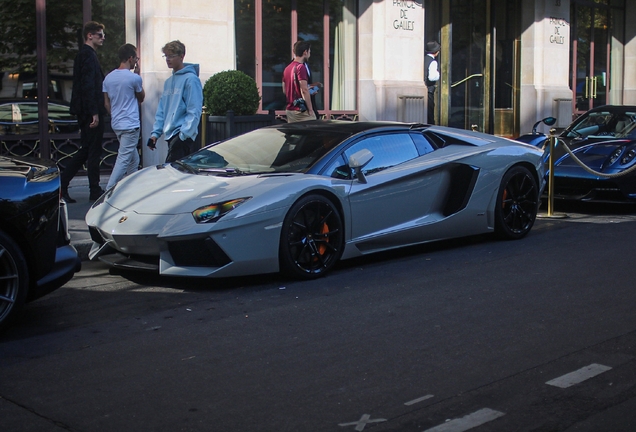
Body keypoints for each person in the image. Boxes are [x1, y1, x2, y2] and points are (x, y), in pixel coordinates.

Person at [63, 21, 107, 203]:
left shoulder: (85, 55)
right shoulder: (87, 55)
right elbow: (88, 86)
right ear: (90, 35)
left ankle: (66, 184)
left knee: (87, 149)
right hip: (89, 110)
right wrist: (94, 112)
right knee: (92, 150)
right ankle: (93, 189)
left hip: (86, 109)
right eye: (100, 35)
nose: (103, 38)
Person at [148, 40, 203, 162]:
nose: (168, 59)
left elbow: (194, 109)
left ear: (181, 56)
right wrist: (155, 134)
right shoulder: (168, 82)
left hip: (181, 135)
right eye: (166, 56)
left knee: (172, 173)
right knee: (176, 175)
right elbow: (162, 110)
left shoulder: (191, 80)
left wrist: (184, 134)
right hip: (170, 134)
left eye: (171, 56)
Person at [103, 44, 145, 190]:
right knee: (123, 159)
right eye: (136, 58)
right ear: (130, 58)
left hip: (117, 123)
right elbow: (142, 98)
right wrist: (138, 76)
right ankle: (109, 190)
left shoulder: (108, 78)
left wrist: (114, 115)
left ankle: (132, 189)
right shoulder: (134, 78)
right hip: (130, 125)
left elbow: (106, 103)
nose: (136, 62)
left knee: (134, 159)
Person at [282, 41, 316, 123]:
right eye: (309, 52)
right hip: (300, 111)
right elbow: (304, 90)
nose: (309, 54)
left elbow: (284, 90)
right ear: (305, 52)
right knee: (313, 132)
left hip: (290, 110)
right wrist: (310, 110)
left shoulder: (287, 68)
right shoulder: (301, 67)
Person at [425, 40, 441, 125]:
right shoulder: (433, 62)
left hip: (424, 89)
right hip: (429, 90)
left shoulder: (423, 59)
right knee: (430, 113)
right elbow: (431, 77)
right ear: (436, 52)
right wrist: (438, 74)